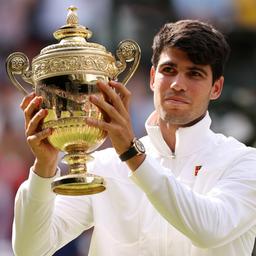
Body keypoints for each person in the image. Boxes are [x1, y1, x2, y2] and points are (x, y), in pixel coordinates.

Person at [12, 20, 256, 256]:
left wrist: (132, 154)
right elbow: (31, 250)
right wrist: (43, 168)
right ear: (152, 78)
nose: (178, 84)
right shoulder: (105, 166)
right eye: (168, 70)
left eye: (194, 74)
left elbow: (209, 230)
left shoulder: (243, 163)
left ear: (216, 88)